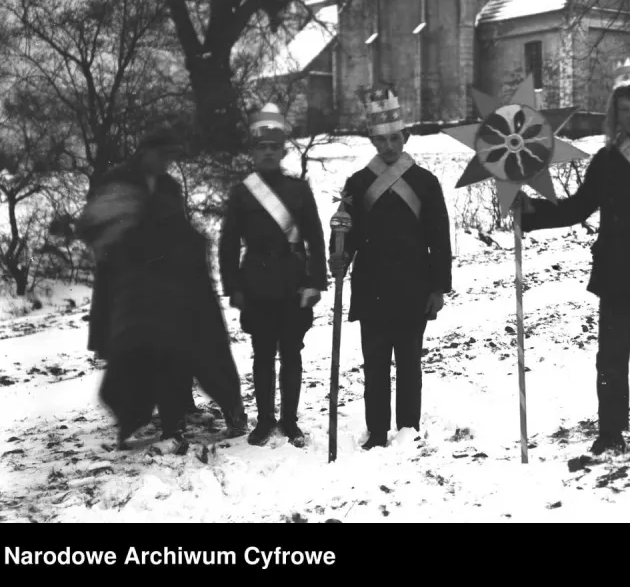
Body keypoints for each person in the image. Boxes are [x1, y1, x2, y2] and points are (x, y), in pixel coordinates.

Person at [519, 49, 630, 455]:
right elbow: (577, 208)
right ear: (615, 112)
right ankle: (611, 429)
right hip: (617, 270)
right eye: (625, 108)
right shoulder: (606, 160)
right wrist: (530, 212)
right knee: (611, 356)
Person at [82, 126, 247, 452]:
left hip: (173, 282)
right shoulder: (118, 182)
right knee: (136, 352)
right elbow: (99, 229)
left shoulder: (169, 186)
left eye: (171, 157)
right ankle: (133, 420)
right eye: (162, 155)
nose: (166, 163)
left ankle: (189, 409)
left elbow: (176, 227)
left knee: (195, 344)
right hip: (130, 285)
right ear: (144, 151)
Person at [328, 88, 452, 450]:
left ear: (406, 137)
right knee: (375, 365)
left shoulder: (425, 182)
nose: (389, 146)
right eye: (381, 140)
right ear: (372, 140)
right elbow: (344, 233)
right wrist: (339, 255)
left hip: (414, 287)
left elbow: (439, 238)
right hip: (371, 287)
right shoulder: (357, 183)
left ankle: (408, 428)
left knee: (410, 364)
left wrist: (438, 287)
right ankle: (377, 431)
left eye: (395, 138)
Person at [217, 104, 327, 447]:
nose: (268, 153)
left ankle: (289, 420)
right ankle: (264, 420)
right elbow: (229, 243)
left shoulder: (299, 190)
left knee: (292, 354)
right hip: (256, 285)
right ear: (253, 151)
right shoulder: (241, 193)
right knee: (262, 355)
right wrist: (233, 286)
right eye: (261, 147)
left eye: (274, 147)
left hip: (293, 282)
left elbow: (315, 238)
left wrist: (315, 283)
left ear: (283, 151)